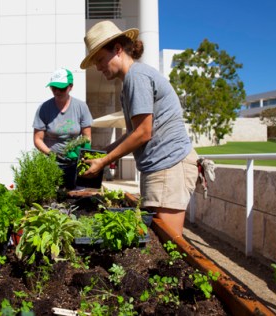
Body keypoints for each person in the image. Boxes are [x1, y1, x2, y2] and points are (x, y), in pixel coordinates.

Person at [80, 21, 198, 236]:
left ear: (117, 49)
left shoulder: (137, 76)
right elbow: (133, 133)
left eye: (100, 59)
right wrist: (102, 153)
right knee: (158, 240)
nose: (98, 67)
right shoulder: (130, 82)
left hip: (169, 164)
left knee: (169, 242)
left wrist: (104, 161)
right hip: (160, 166)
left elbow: (144, 133)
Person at [33, 68, 93, 189]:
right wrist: (51, 154)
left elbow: (87, 137)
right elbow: (38, 139)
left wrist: (81, 155)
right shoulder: (44, 108)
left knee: (75, 194)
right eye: (53, 88)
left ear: (70, 87)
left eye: (61, 88)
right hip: (52, 163)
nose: (57, 91)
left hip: (74, 162)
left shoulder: (81, 107)